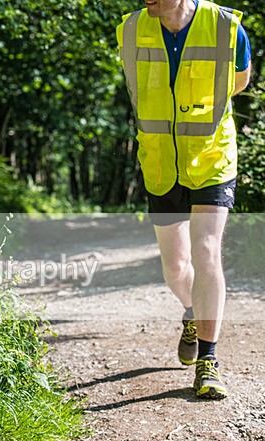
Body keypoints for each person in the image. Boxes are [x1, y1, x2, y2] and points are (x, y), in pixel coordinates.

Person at [117, 0, 251, 399]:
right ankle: (193, 312)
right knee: (176, 269)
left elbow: (238, 81)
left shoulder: (227, 27)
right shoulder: (130, 30)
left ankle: (209, 361)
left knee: (206, 249)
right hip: (160, 163)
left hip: (211, 157)